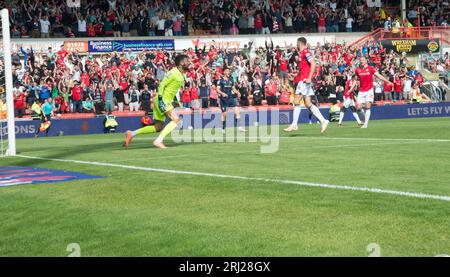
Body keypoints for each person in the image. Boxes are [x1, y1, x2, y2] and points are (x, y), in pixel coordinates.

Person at [124, 55, 191, 149]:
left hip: (164, 100)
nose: (189, 62)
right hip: (163, 100)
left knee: (158, 127)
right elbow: (162, 84)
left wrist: (175, 102)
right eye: (187, 61)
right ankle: (158, 141)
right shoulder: (173, 72)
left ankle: (132, 133)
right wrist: (160, 99)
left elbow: (172, 89)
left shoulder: (180, 74)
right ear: (181, 63)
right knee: (176, 120)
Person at [284, 37, 329, 133]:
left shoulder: (306, 52)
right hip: (303, 79)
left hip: (304, 81)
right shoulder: (301, 54)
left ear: (299, 43)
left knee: (296, 101)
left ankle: (294, 124)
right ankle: (323, 121)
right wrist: (295, 75)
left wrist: (309, 77)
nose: (296, 45)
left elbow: (313, 64)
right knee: (308, 103)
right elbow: (305, 68)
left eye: (297, 44)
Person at [355, 57, 393, 129]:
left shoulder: (370, 68)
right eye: (360, 60)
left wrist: (388, 82)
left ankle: (365, 124)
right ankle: (365, 118)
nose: (361, 61)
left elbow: (379, 76)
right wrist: (352, 88)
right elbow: (356, 79)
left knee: (367, 106)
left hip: (369, 89)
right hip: (361, 90)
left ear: (366, 61)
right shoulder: (357, 70)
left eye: (363, 60)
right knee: (358, 108)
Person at [217, 68, 246, 134]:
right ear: (224, 72)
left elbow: (233, 88)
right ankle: (223, 128)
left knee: (237, 111)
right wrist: (222, 93)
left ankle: (240, 127)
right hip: (223, 100)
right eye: (227, 71)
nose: (228, 72)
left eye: (229, 71)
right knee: (224, 114)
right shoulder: (220, 81)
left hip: (231, 98)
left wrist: (237, 92)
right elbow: (217, 89)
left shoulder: (231, 80)